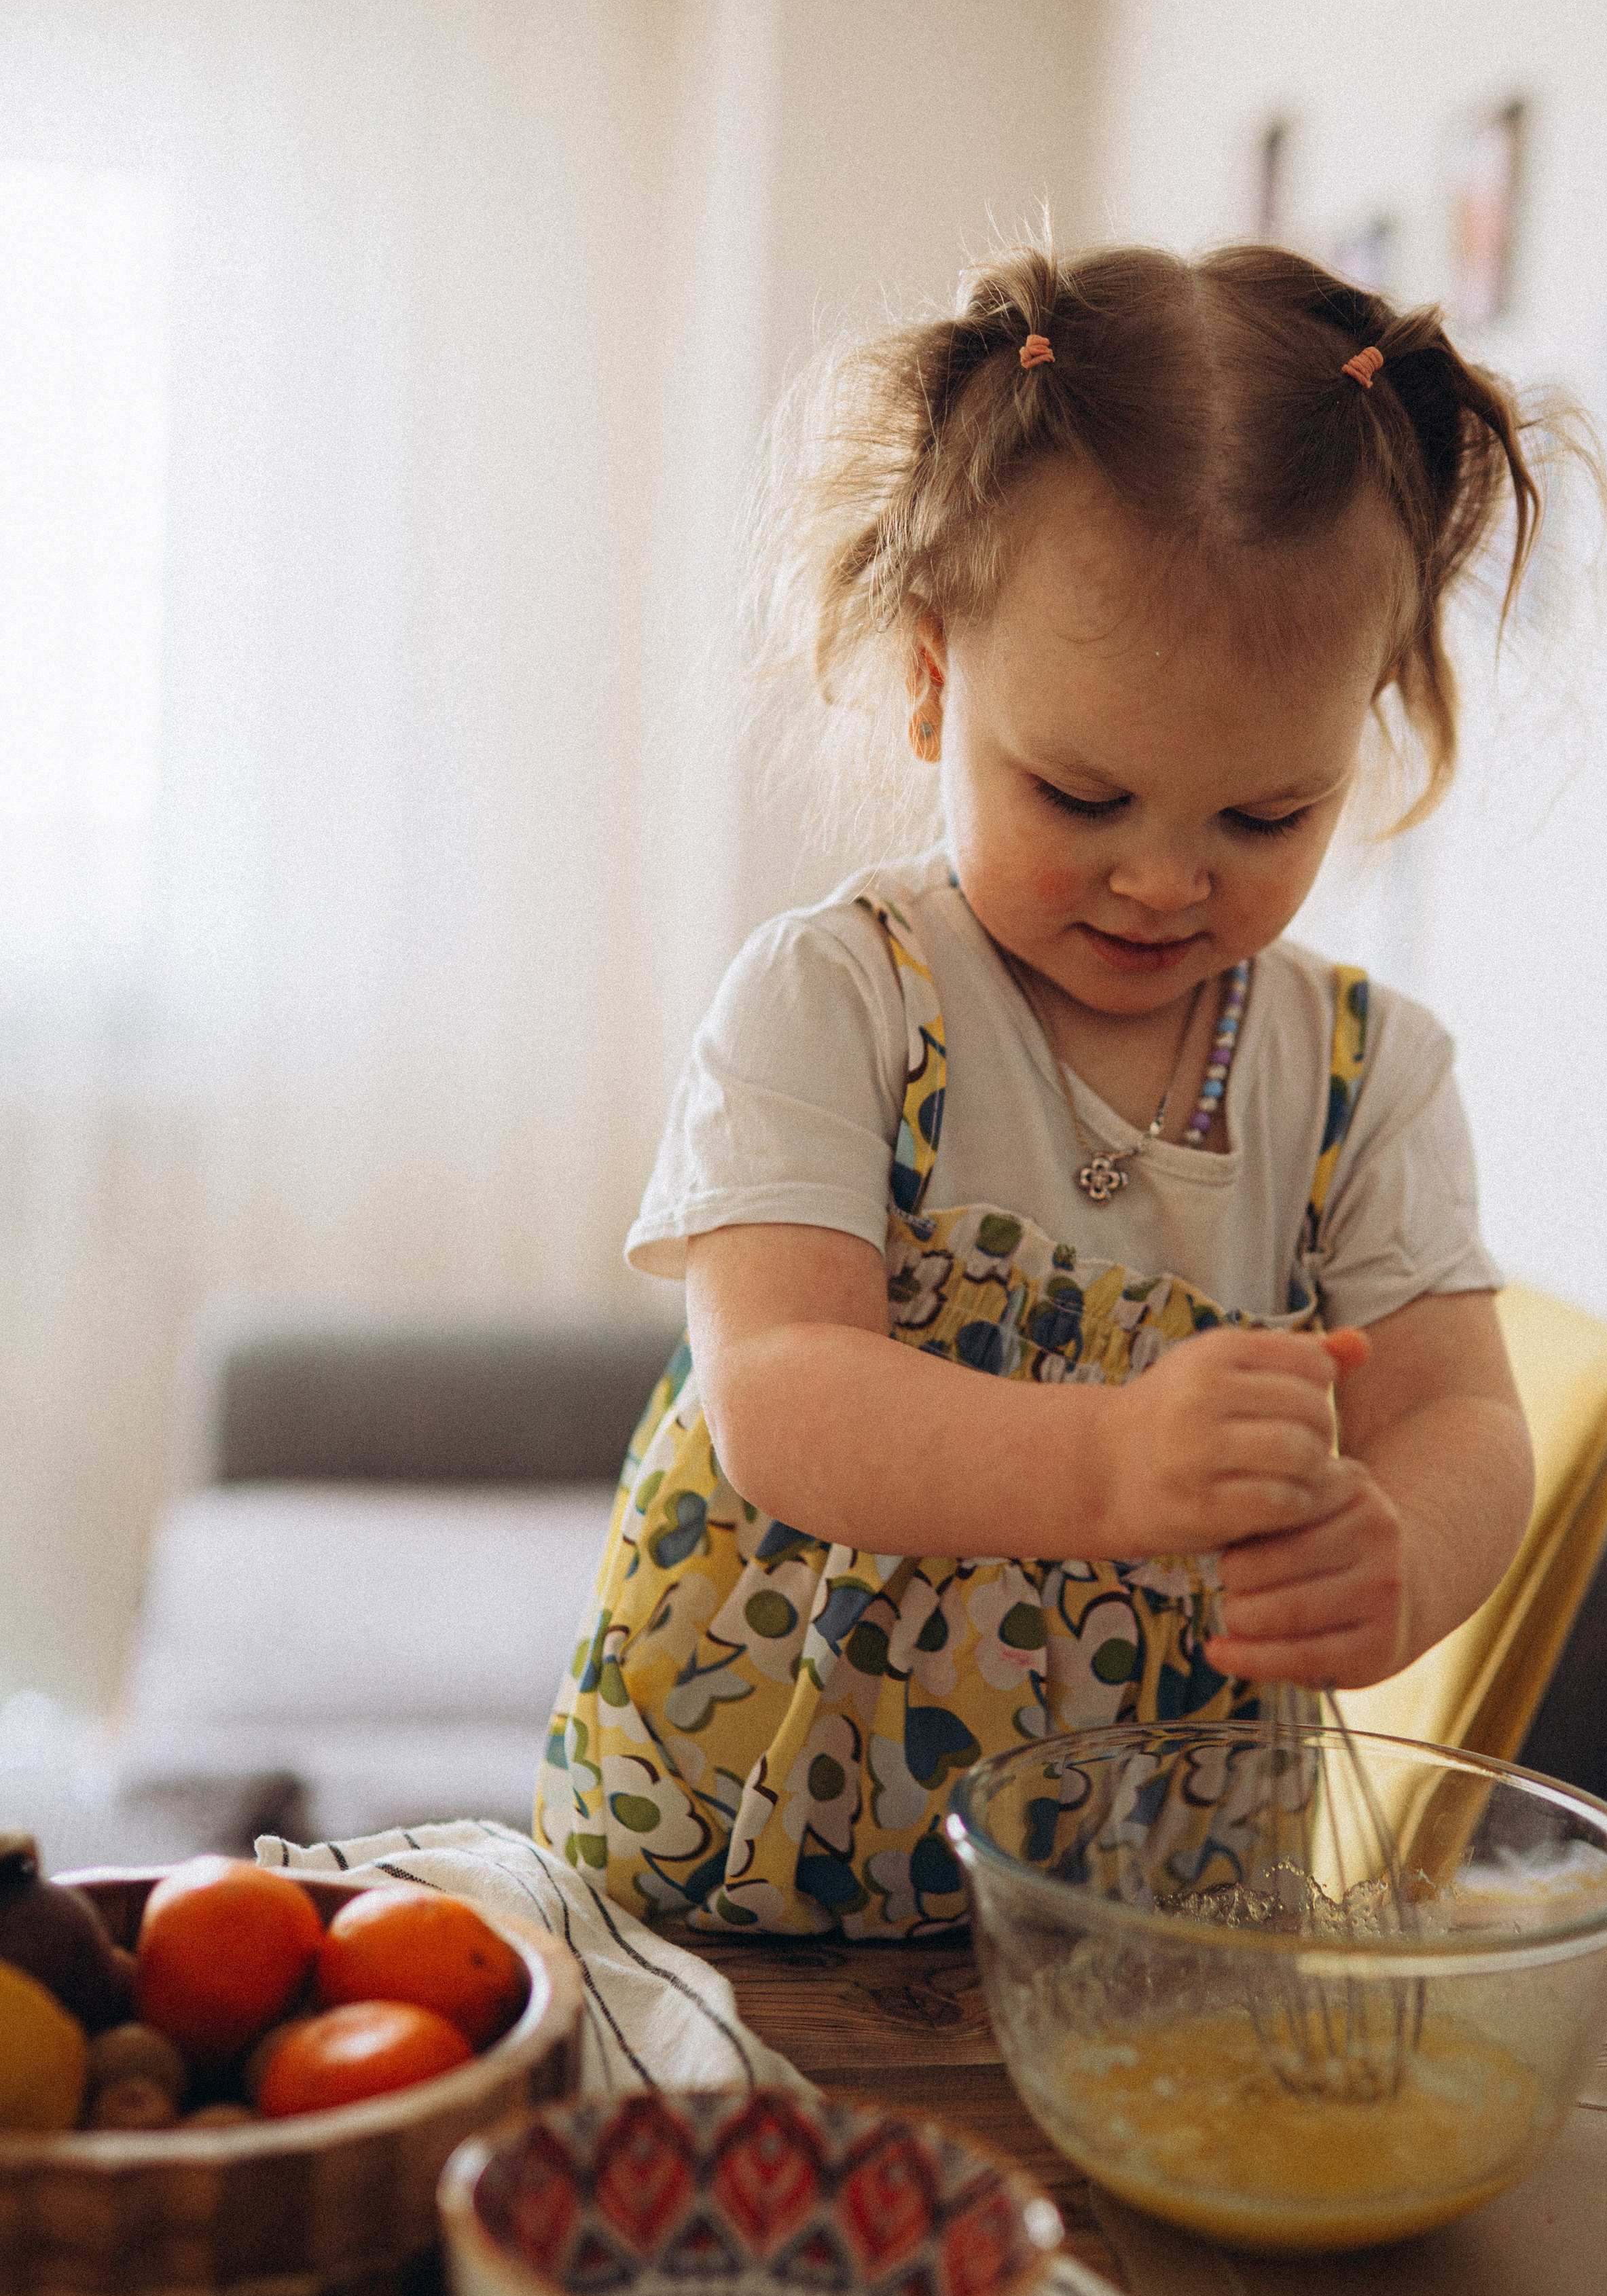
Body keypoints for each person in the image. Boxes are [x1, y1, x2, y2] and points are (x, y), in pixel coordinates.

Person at [536, 242, 1551, 1938]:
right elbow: (776, 1386)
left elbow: (1461, 1417)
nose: (1162, 881)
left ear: (1357, 734)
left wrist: (1404, 1553)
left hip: (1147, 1893)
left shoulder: (1366, 1077)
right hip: (750, 1835)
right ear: (936, 681)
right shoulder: (838, 995)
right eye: (1080, 794)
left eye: (1260, 817)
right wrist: (1106, 1463)